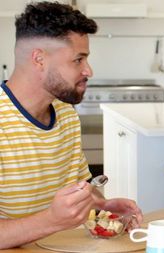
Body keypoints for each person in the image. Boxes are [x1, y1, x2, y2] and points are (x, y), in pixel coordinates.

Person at [0, 2, 142, 249]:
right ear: (39, 59)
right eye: (78, 59)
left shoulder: (65, 114)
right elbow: (53, 218)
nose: (89, 70)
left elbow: (83, 188)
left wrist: (102, 205)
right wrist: (52, 220)